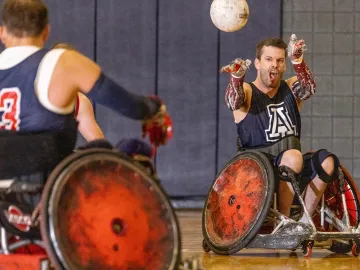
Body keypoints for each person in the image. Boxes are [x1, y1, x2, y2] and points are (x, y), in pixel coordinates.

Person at [221, 34, 339, 224]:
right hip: (259, 169)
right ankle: (283, 221)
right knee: (293, 156)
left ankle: (304, 222)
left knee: (327, 161)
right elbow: (232, 101)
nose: (274, 65)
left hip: (293, 164)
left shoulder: (290, 87)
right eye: (268, 59)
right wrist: (236, 77)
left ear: (284, 65)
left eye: (280, 60)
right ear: (258, 63)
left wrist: (298, 61)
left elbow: (309, 89)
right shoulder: (248, 90)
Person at [51, 42, 157, 176]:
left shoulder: (79, 102)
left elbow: (98, 144)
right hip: (41, 159)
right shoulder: (35, 93)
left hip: (55, 162)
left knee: (123, 148)